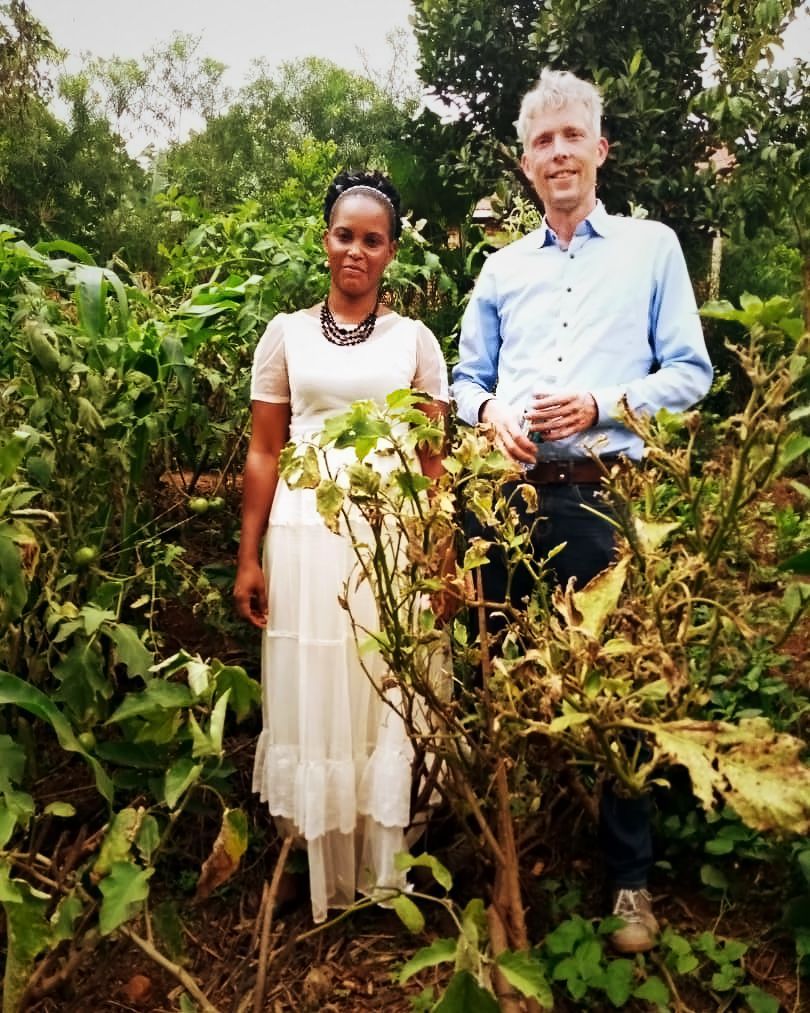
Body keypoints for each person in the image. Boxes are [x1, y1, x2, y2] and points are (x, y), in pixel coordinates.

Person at [452, 68, 713, 953]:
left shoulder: (652, 247)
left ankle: (630, 883)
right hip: (504, 498)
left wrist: (601, 405)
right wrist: (489, 416)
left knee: (612, 681)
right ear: (526, 163)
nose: (559, 152)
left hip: (600, 495)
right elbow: (463, 382)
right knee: (492, 674)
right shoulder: (498, 268)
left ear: (601, 150)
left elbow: (691, 374)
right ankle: (503, 865)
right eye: (542, 141)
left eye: (573, 136)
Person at [234, 170, 449, 924]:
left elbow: (432, 459)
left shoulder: (415, 343)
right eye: (343, 235)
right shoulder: (285, 335)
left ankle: (385, 867)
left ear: (390, 252)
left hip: (387, 536)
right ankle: (304, 853)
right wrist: (248, 555)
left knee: (381, 684)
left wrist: (440, 552)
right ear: (325, 240)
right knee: (309, 690)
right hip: (304, 536)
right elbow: (265, 450)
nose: (355, 250)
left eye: (373, 239)